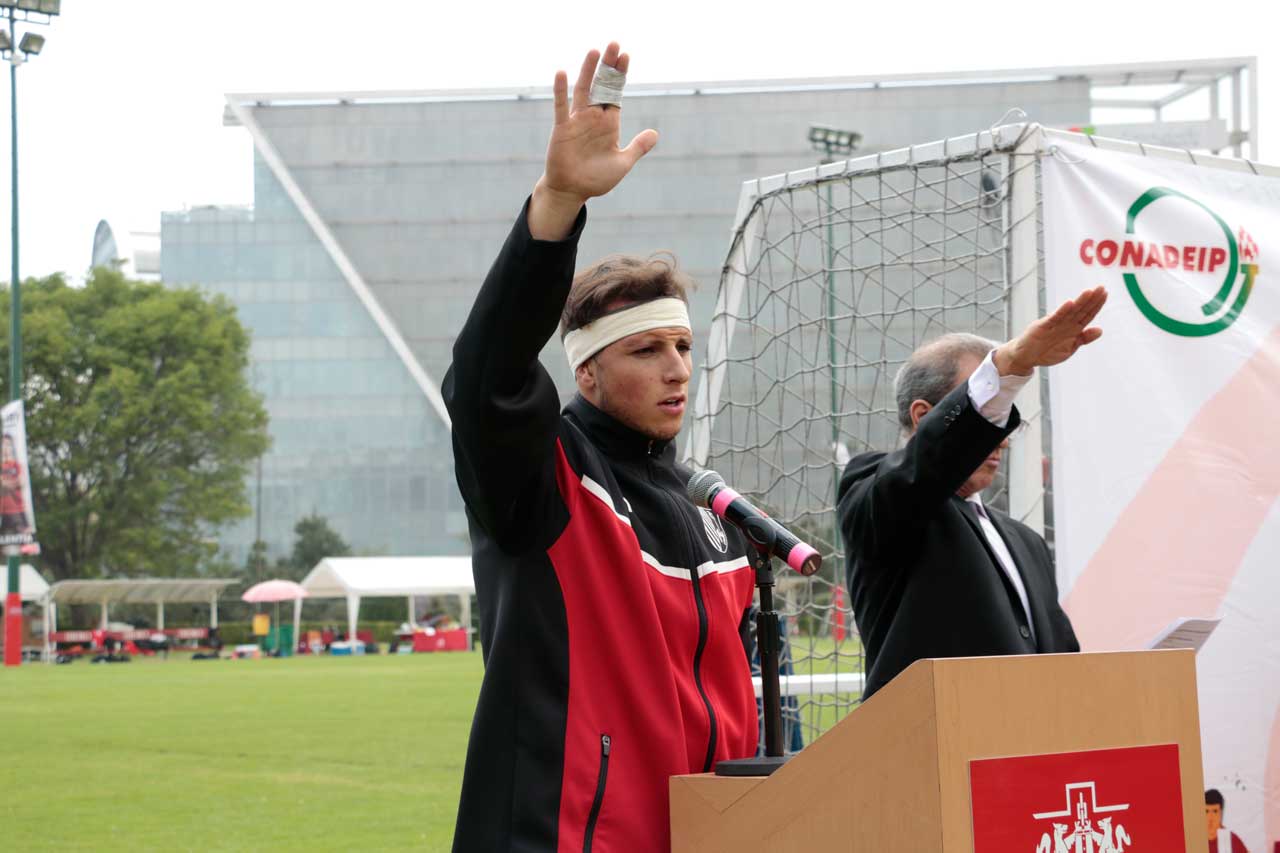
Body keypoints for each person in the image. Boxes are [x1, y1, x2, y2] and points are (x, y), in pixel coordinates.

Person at [443, 42, 759, 852]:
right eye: (645, 350)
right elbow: (487, 379)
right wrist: (555, 205)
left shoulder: (708, 510)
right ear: (586, 368)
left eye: (683, 348)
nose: (675, 370)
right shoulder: (551, 480)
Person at [836, 288, 1107, 699]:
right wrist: (1009, 368)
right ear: (926, 418)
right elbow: (921, 470)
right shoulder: (876, 495)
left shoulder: (1026, 542)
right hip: (932, 752)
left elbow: (1061, 664)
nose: (1002, 436)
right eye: (991, 411)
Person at [0, 433, 31, 537]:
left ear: (12, 447)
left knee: (27, 545)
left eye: (8, 444)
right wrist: (13, 483)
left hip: (18, 511)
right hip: (2, 512)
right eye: (3, 444)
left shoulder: (17, 465)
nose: (5, 447)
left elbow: (22, 482)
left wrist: (5, 483)